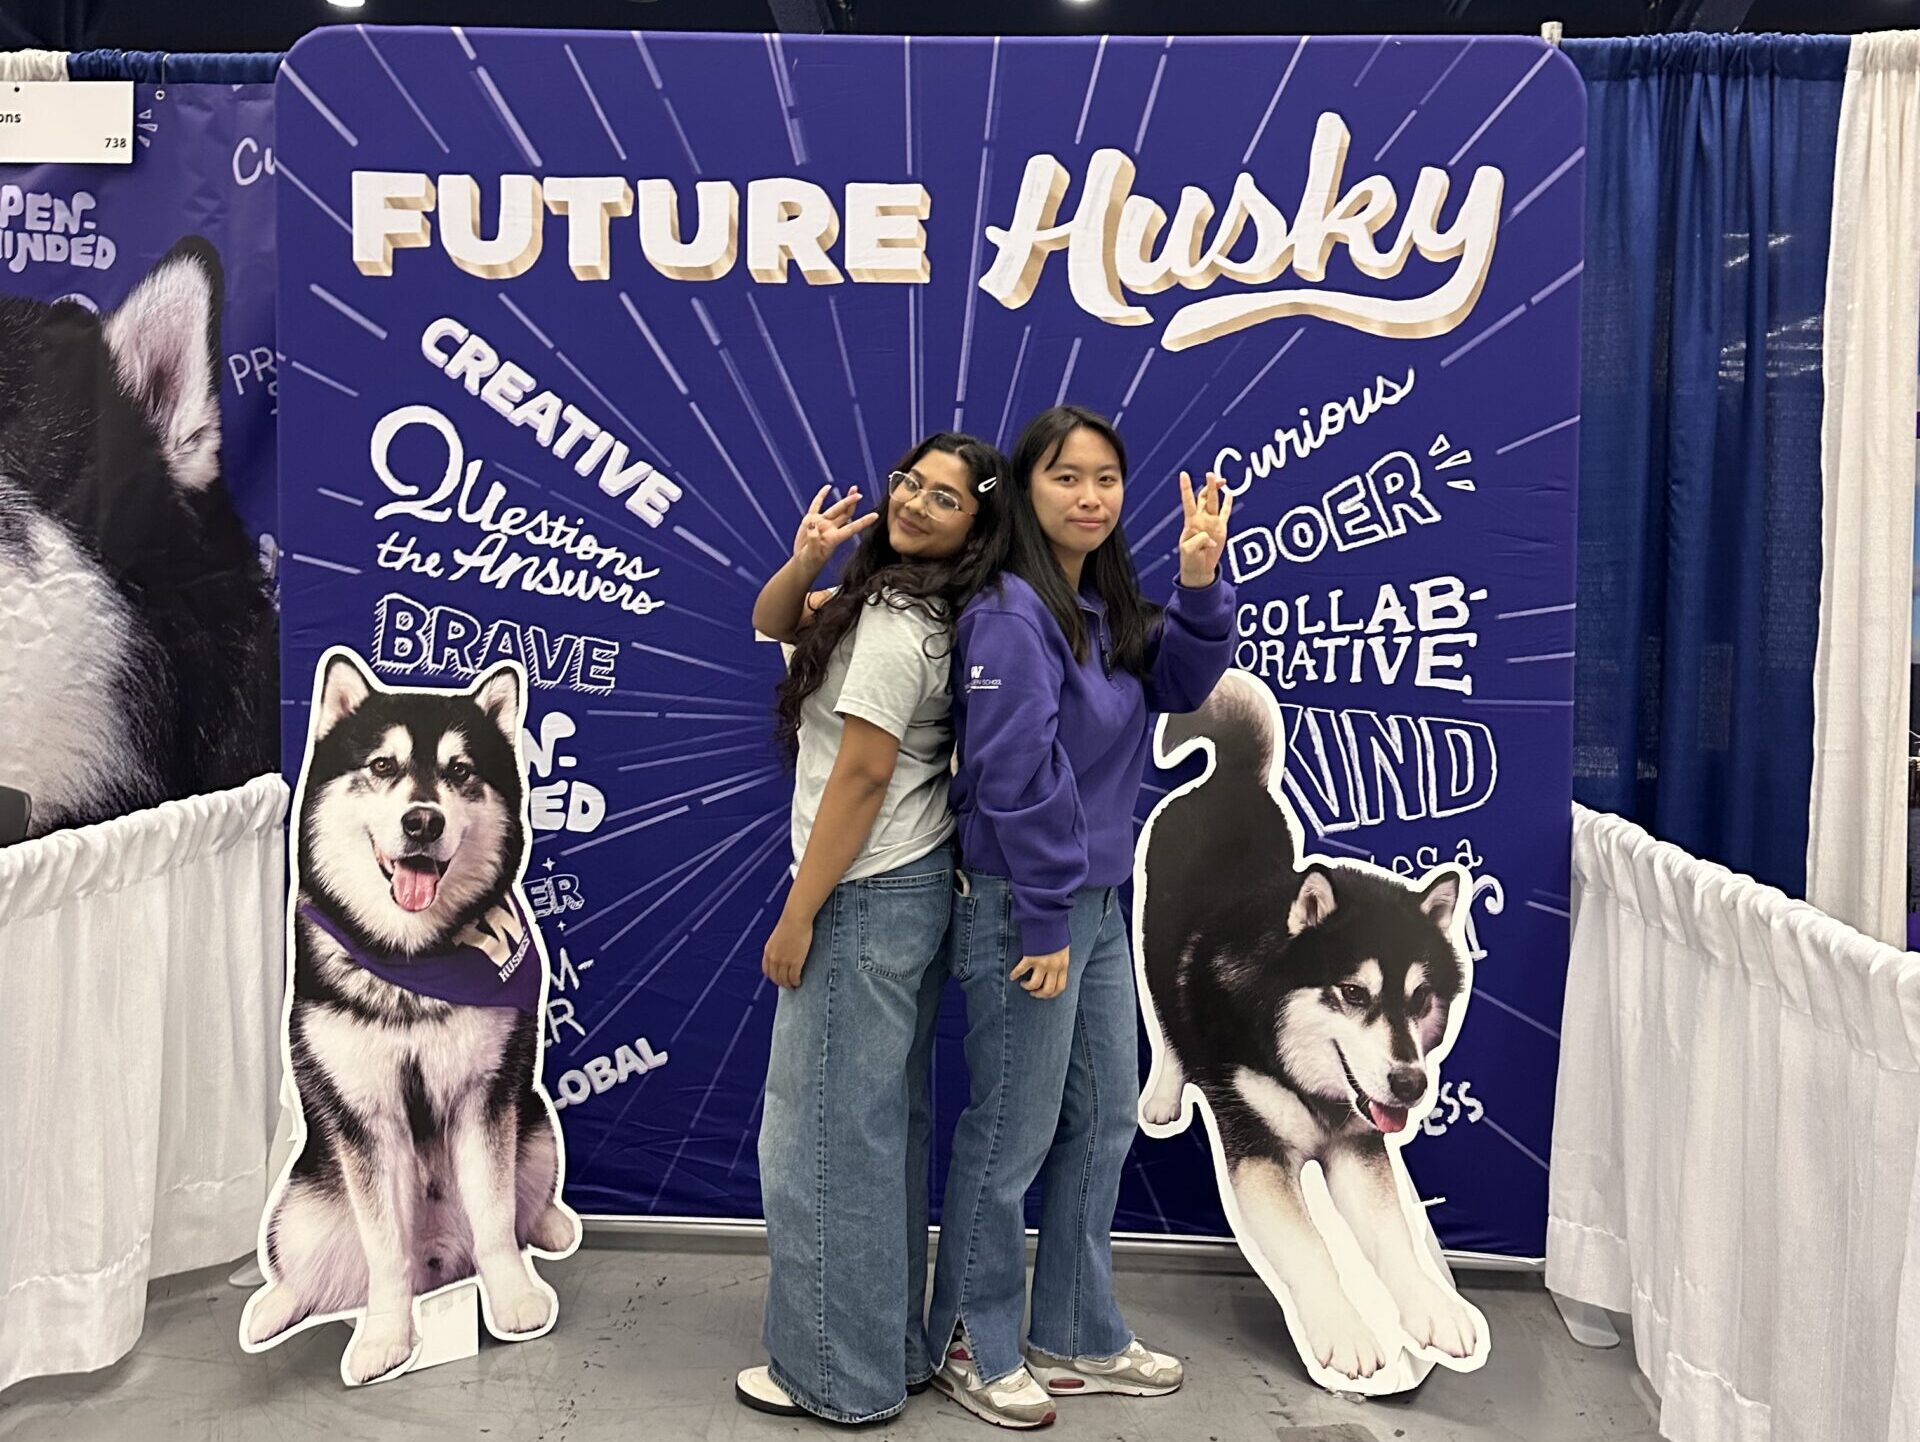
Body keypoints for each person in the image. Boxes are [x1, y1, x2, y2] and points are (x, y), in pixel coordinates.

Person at [926, 404, 1234, 1429]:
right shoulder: (1013, 613)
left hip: (1094, 901)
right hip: (1028, 902)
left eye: (1107, 477)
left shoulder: (1104, 607)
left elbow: (1185, 680)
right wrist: (1049, 921)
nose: (1091, 495)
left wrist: (1199, 577)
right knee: (1010, 1131)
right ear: (1026, 489)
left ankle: (1072, 1325)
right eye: (1068, 477)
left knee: (1101, 1117)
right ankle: (972, 1335)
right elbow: (1012, 776)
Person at [736, 432, 1010, 1426]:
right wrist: (807, 556)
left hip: (861, 893)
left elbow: (859, 775)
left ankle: (832, 1376)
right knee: (875, 1135)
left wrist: (799, 913)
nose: (915, 502)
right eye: (911, 483)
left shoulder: (897, 622)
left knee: (821, 1141)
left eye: (945, 497)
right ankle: (883, 1349)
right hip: (909, 890)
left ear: (977, 525)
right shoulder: (903, 605)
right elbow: (773, 619)